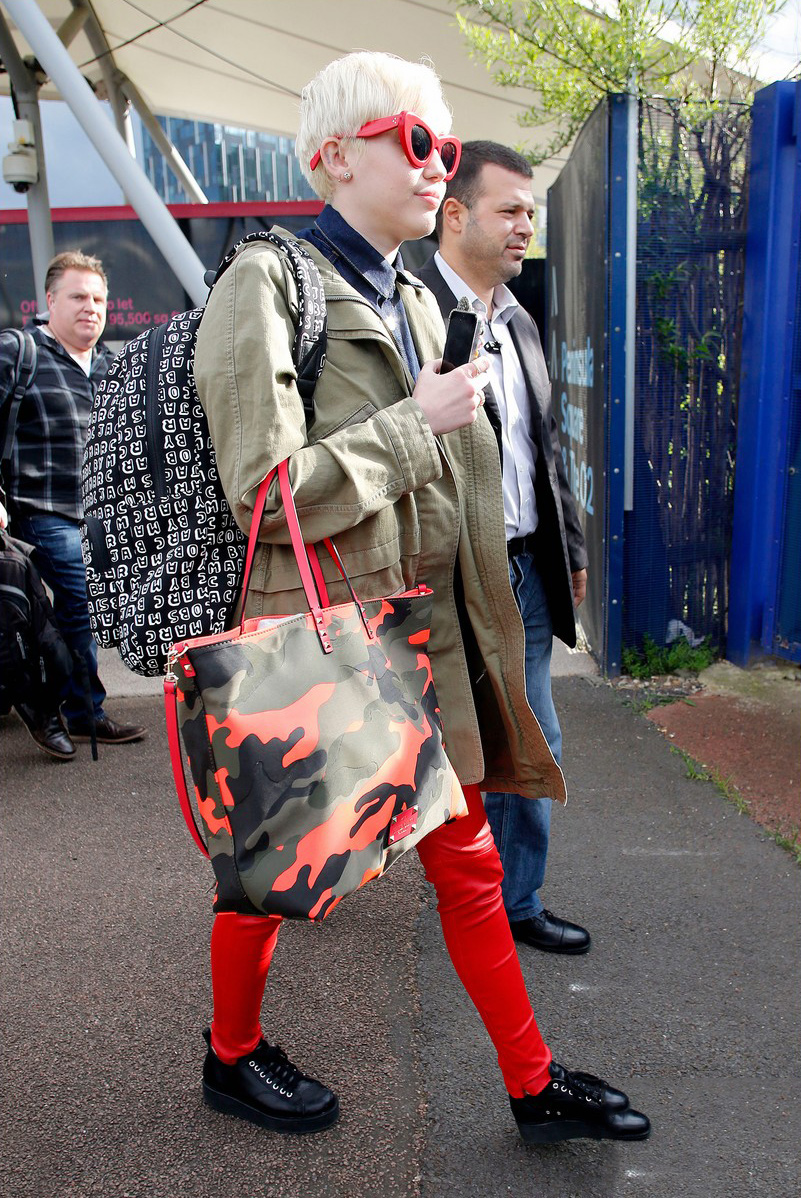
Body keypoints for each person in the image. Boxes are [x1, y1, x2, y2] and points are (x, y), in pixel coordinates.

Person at [193, 50, 649, 1146]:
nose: (438, 163)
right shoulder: (267, 283)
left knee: (472, 864)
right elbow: (267, 491)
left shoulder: (406, 291)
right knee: (270, 875)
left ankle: (534, 1082)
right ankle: (231, 1053)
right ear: (333, 154)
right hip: (326, 636)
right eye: (417, 140)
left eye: (446, 146)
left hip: (418, 637)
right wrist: (421, 423)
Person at [418, 142, 590, 955]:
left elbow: (543, 452)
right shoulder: (406, 311)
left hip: (521, 569)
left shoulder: (518, 320)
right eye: (511, 211)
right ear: (455, 215)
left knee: (531, 741)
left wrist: (571, 548)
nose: (527, 227)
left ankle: (511, 903)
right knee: (437, 748)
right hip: (441, 579)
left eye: (533, 213)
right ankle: (457, 889)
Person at [0, 251, 145, 757]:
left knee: (79, 613)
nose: (92, 308)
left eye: (100, 298)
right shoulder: (21, 353)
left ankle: (57, 696)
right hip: (39, 509)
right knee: (80, 603)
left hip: (101, 515)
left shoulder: (112, 366)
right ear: (50, 302)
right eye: (79, 296)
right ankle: (81, 712)